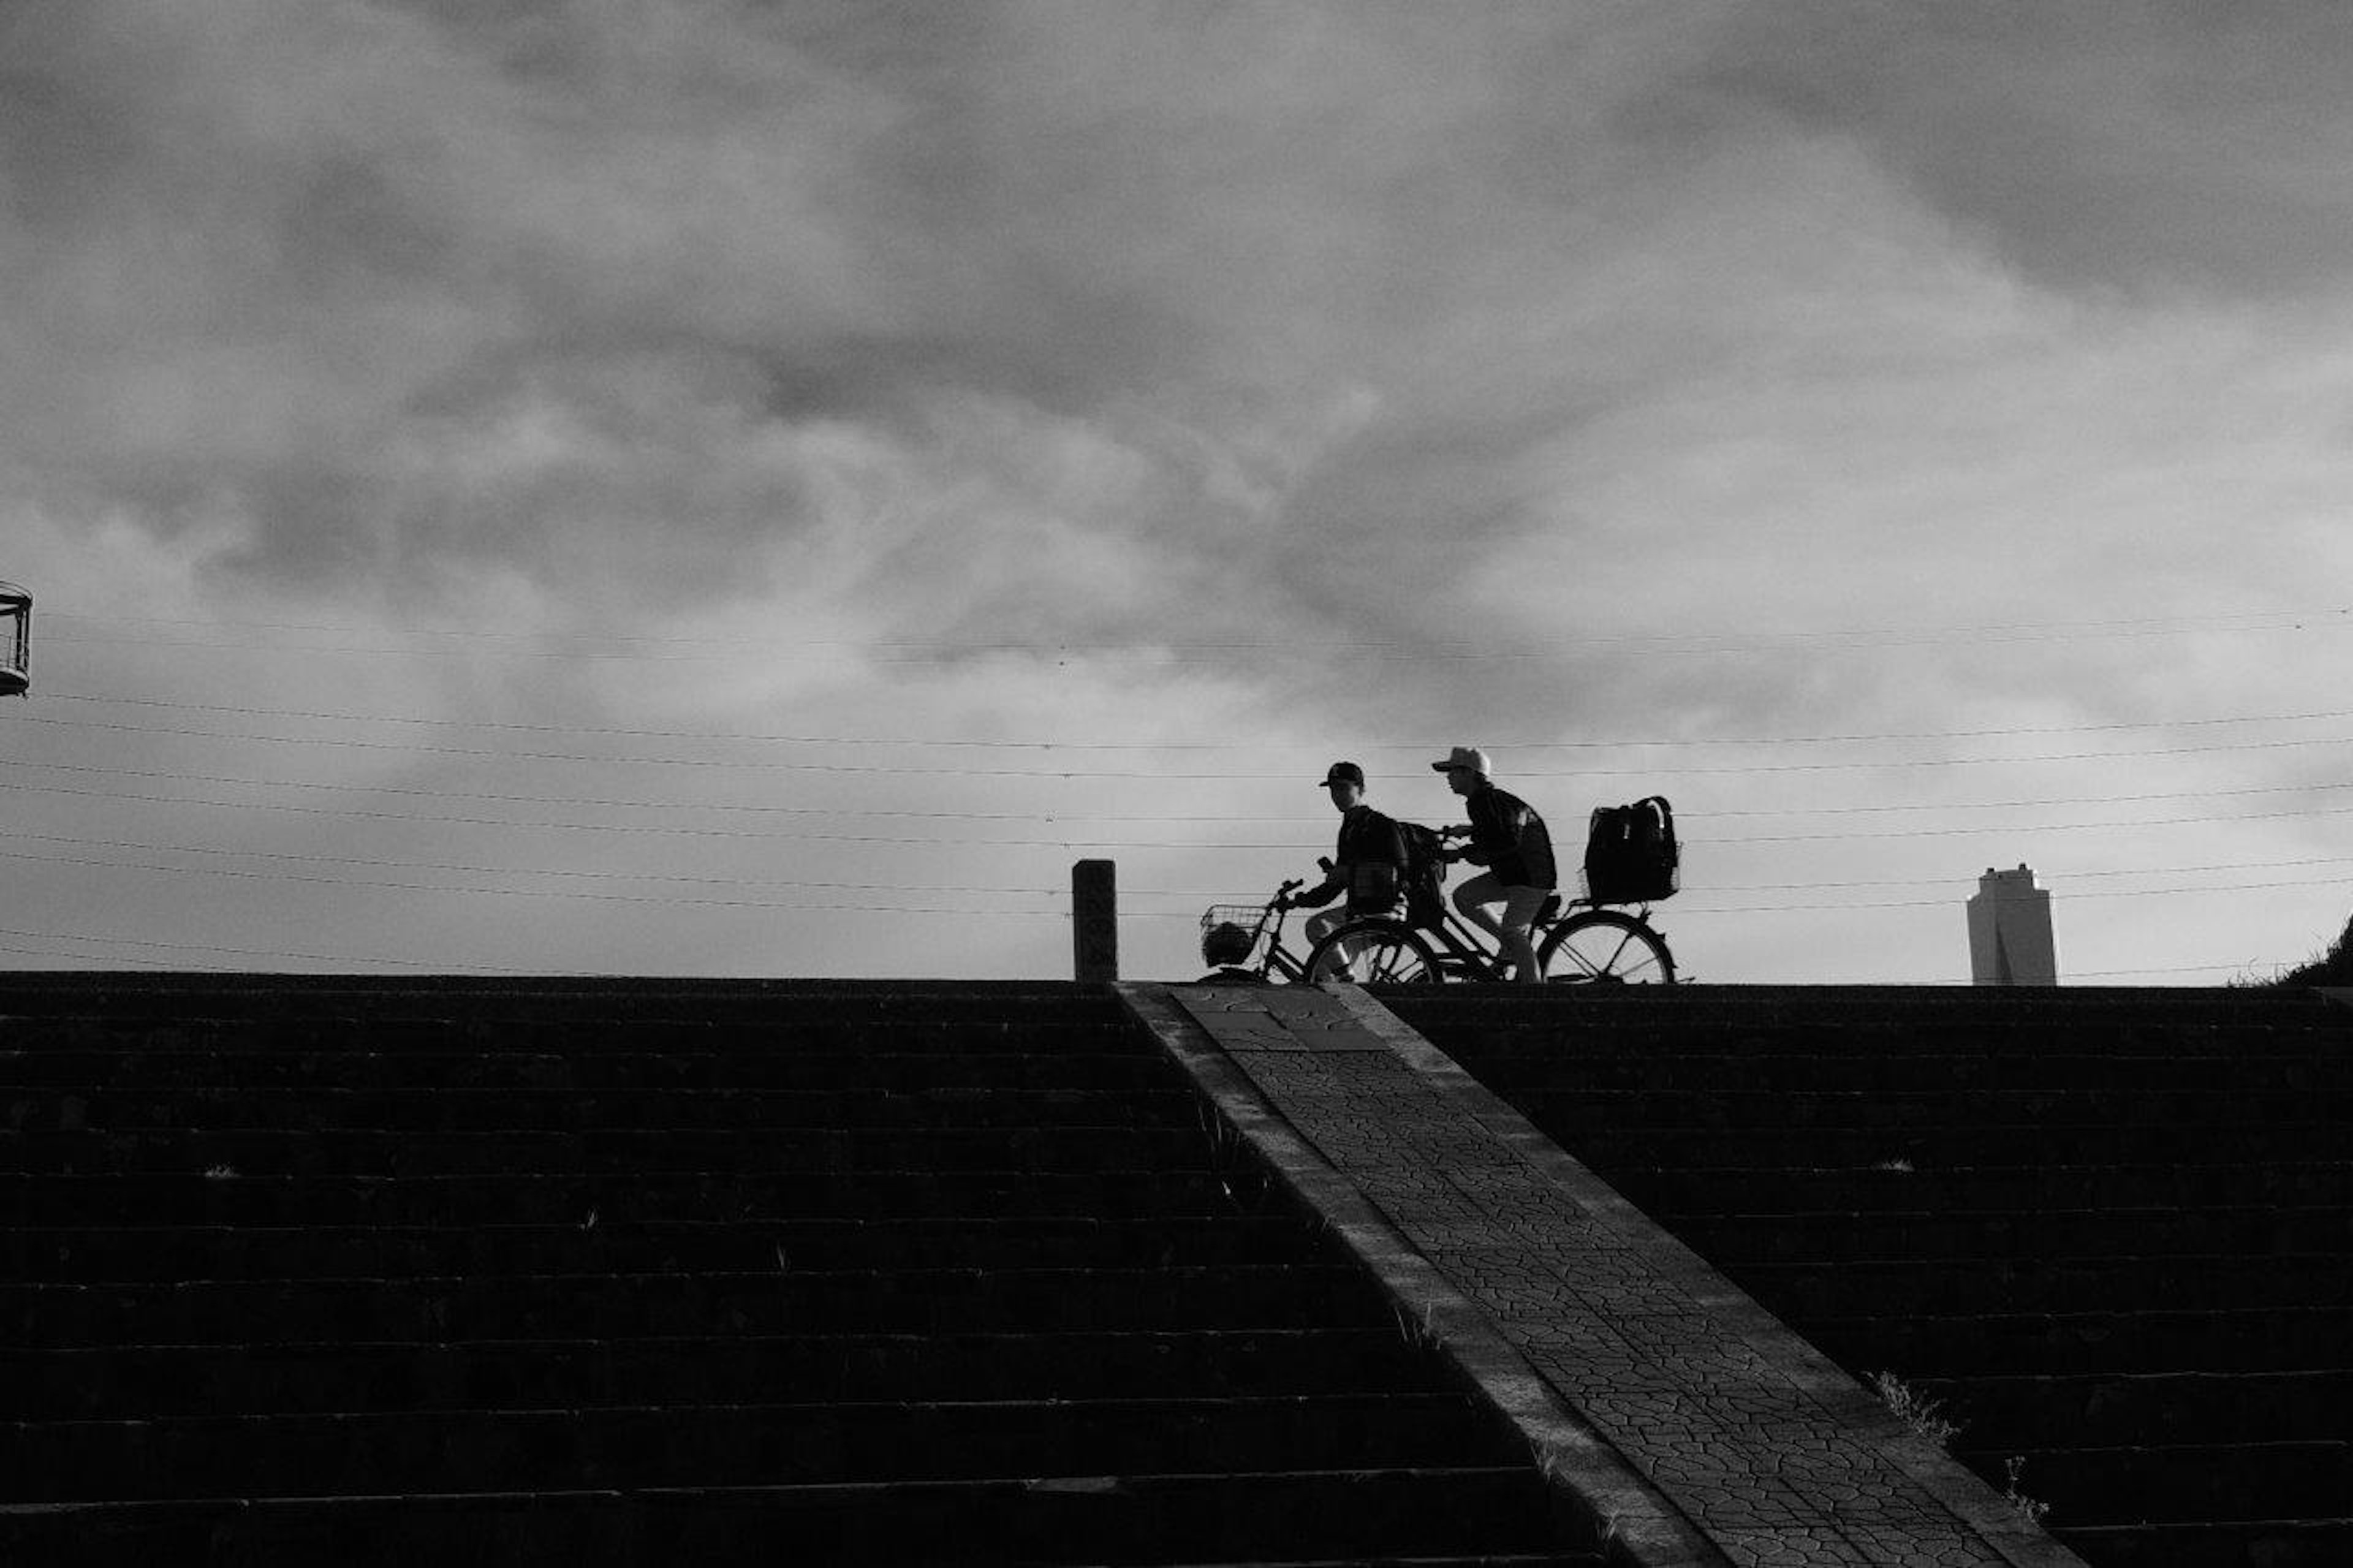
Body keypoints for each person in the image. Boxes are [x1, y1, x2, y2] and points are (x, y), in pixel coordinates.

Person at [1433, 746, 1556, 983]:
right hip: (1514, 874)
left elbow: (1505, 839)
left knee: (1513, 930)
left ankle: (1536, 993)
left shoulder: (1485, 802)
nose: (1448, 777)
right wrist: (1471, 831)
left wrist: (1463, 853)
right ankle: (1510, 948)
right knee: (1465, 897)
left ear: (1469, 773)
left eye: (1452, 772)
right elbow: (1498, 830)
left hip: (1530, 877)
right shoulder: (1486, 801)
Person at [1283, 761, 1409, 961]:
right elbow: (1334, 886)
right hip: (1362, 910)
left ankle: (1347, 985)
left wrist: (1350, 872)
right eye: (1333, 789)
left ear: (1361, 789)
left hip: (1385, 908)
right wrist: (1300, 901)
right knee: (1324, 974)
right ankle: (1348, 986)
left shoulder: (1380, 824)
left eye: (1343, 788)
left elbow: (1402, 868)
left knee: (1318, 926)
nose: (1336, 795)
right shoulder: (1349, 829)